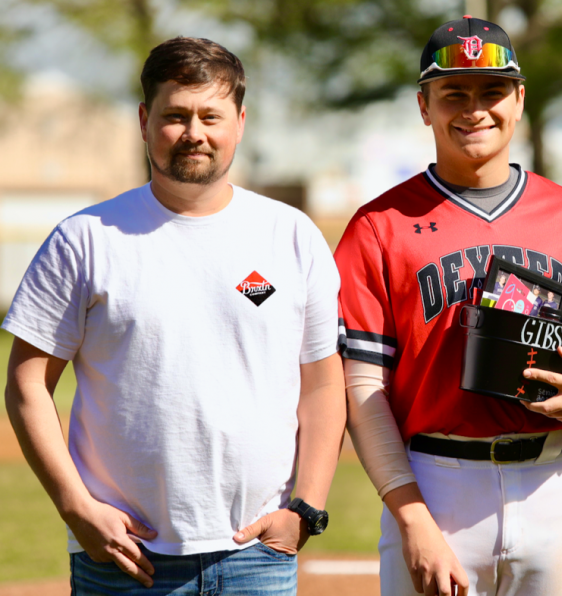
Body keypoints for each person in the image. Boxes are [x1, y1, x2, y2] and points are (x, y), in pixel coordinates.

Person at [3, 37, 345, 594]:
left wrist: (306, 508)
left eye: (211, 115)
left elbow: (324, 383)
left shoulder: (293, 235)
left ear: (239, 121)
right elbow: (26, 384)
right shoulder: (85, 239)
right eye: (175, 116)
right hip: (123, 556)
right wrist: (75, 507)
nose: (194, 133)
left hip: (257, 554)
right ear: (144, 121)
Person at [334, 15, 562, 596]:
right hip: (435, 481)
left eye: (492, 91)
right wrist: (412, 518)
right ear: (424, 105)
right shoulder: (378, 226)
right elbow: (362, 388)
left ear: (520, 99)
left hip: (553, 479)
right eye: (453, 92)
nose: (474, 109)